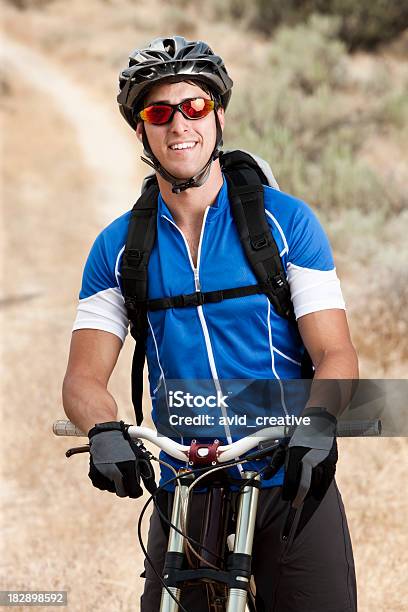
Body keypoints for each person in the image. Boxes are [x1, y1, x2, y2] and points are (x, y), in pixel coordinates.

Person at [63, 36, 359, 611]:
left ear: (218, 117)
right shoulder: (119, 248)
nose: (180, 127)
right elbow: (81, 379)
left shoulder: (285, 222)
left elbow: (336, 354)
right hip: (186, 485)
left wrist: (319, 421)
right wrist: (103, 430)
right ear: (141, 129)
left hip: (287, 472)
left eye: (194, 107)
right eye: (159, 112)